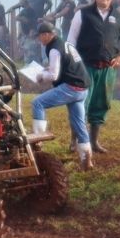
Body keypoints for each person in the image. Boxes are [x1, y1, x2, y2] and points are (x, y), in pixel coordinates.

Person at [67, 0, 120, 157]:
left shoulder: (119, 17)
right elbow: (71, 42)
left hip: (107, 69)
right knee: (80, 103)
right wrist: (76, 62)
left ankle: (94, 141)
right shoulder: (83, 14)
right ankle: (75, 141)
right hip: (85, 67)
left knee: (101, 104)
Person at [29, 20, 93, 167]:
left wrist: (40, 76)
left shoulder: (54, 49)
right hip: (82, 88)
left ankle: (38, 145)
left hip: (71, 87)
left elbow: (53, 76)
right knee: (79, 123)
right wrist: (47, 69)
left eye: (39, 36)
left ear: (46, 35)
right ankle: (86, 157)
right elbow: (65, 64)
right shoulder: (64, 43)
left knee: (37, 103)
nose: (39, 39)